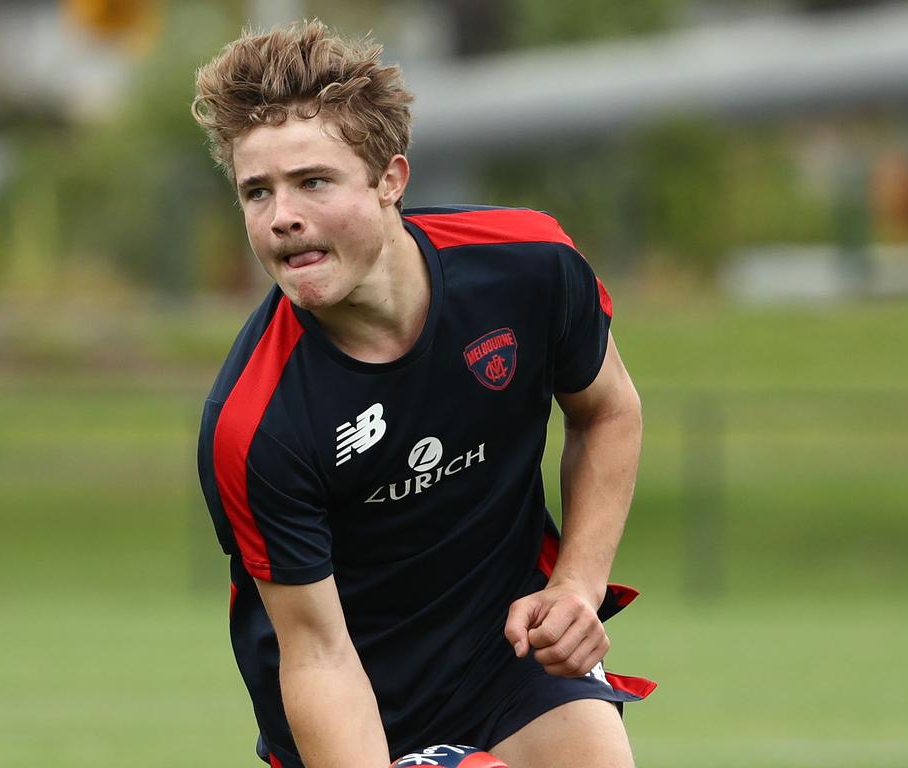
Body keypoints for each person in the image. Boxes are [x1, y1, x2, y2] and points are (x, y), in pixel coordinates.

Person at [193, 19, 654, 768]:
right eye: (257, 191)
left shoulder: (528, 267)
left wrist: (576, 584)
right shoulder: (255, 421)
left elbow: (607, 411)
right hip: (358, 701)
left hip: (508, 663)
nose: (282, 216)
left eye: (313, 181)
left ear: (389, 180)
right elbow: (314, 655)